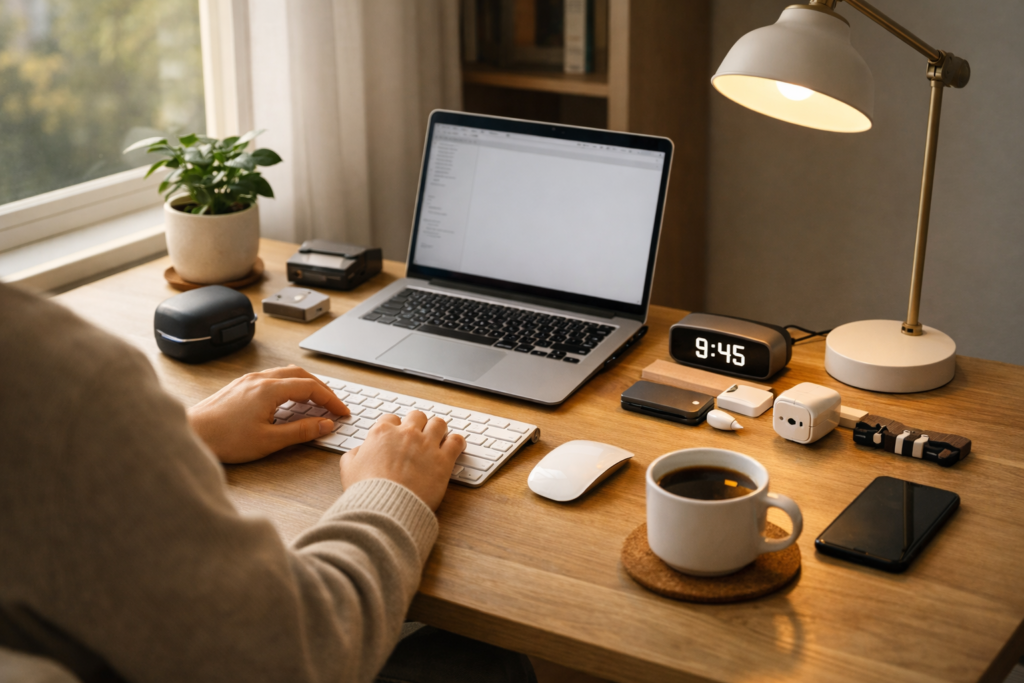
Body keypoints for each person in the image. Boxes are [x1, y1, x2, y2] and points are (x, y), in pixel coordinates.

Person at [0, 282, 536, 683]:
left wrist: (181, 434)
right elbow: (299, 653)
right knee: (487, 662)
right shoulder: (51, 372)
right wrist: (392, 493)